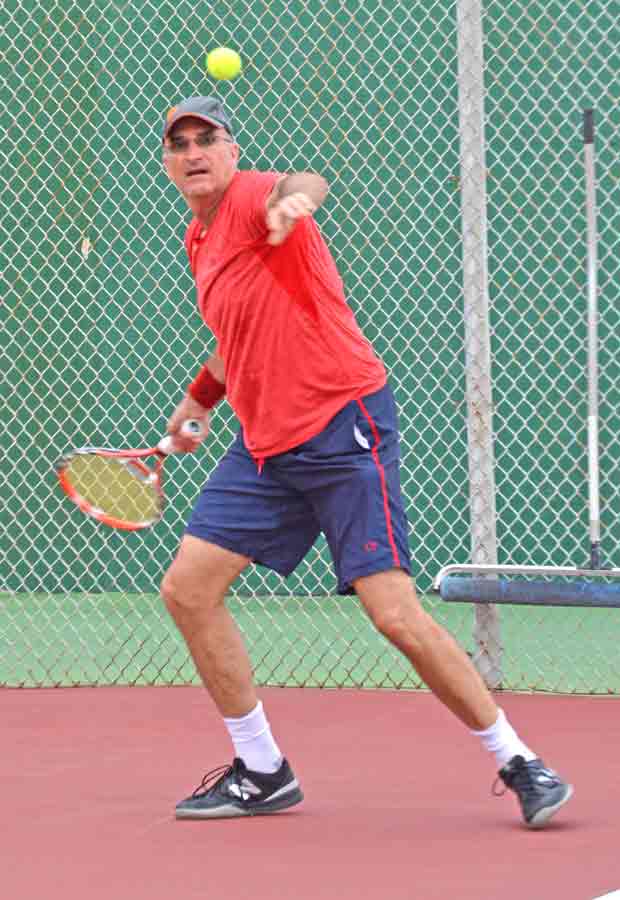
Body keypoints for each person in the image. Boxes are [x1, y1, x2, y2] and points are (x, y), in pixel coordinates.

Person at [159, 95, 572, 827]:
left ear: (231, 150)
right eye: (178, 143)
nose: (193, 153)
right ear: (167, 162)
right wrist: (200, 399)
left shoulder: (253, 196)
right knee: (188, 591)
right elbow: (237, 334)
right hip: (265, 447)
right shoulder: (199, 237)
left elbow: (303, 183)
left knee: (394, 615)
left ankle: (520, 761)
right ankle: (262, 769)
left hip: (339, 427)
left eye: (206, 139)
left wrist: (296, 203)